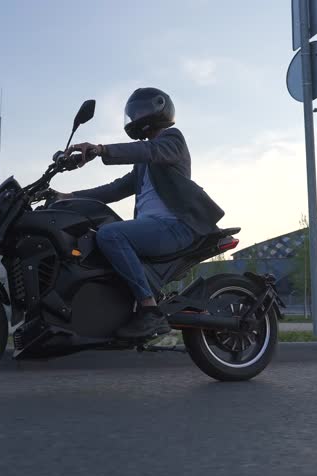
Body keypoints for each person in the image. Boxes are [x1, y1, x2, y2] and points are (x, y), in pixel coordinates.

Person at [55, 87, 225, 338]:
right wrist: (68, 197)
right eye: (134, 113)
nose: (137, 117)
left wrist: (101, 149)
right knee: (95, 233)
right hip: (156, 228)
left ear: (160, 109)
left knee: (110, 234)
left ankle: (149, 310)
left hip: (177, 225)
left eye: (142, 110)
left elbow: (150, 150)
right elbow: (115, 189)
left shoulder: (171, 140)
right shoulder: (143, 164)